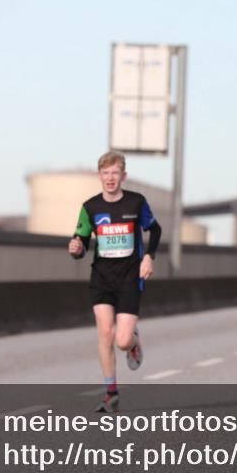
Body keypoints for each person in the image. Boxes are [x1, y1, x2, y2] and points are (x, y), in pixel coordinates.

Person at [69, 151, 161, 413]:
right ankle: (111, 393)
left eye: (115, 173)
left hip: (130, 278)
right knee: (104, 332)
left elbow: (154, 229)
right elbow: (81, 242)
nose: (110, 178)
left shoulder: (136, 203)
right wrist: (76, 248)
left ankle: (133, 341)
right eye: (105, 173)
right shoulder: (90, 207)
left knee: (121, 340)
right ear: (100, 176)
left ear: (123, 176)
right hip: (101, 278)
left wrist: (149, 258)